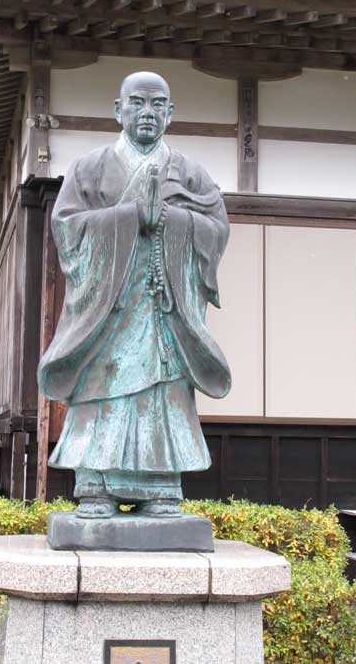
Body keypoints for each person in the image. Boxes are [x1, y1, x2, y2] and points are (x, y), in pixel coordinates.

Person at [37, 71, 231, 518]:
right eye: (138, 103)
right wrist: (128, 218)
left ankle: (162, 487)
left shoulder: (192, 174)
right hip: (109, 310)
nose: (147, 112)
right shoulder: (90, 168)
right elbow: (66, 228)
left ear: (170, 112)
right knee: (103, 390)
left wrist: (169, 221)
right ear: (118, 109)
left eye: (157, 104)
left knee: (164, 395)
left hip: (165, 310)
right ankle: (95, 486)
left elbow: (217, 230)